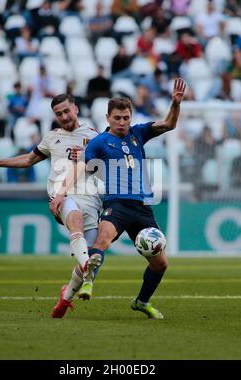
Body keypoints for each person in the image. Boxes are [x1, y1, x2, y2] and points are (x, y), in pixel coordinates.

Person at [51, 78, 186, 319]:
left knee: (161, 264)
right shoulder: (100, 142)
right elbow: (81, 167)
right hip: (117, 204)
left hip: (142, 207)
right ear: (108, 118)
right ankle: (88, 283)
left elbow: (169, 124)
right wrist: (61, 193)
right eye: (117, 118)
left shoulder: (139, 133)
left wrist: (175, 103)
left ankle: (142, 301)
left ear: (131, 116)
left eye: (125, 118)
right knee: (101, 242)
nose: (122, 122)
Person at [0, 94, 103, 318]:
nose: (64, 117)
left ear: (75, 109)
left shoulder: (94, 136)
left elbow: (104, 169)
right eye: (59, 114)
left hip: (91, 201)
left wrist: (90, 159)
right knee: (75, 222)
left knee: (91, 253)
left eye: (67, 111)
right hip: (61, 197)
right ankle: (87, 269)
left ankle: (66, 297)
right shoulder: (51, 138)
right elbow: (28, 160)